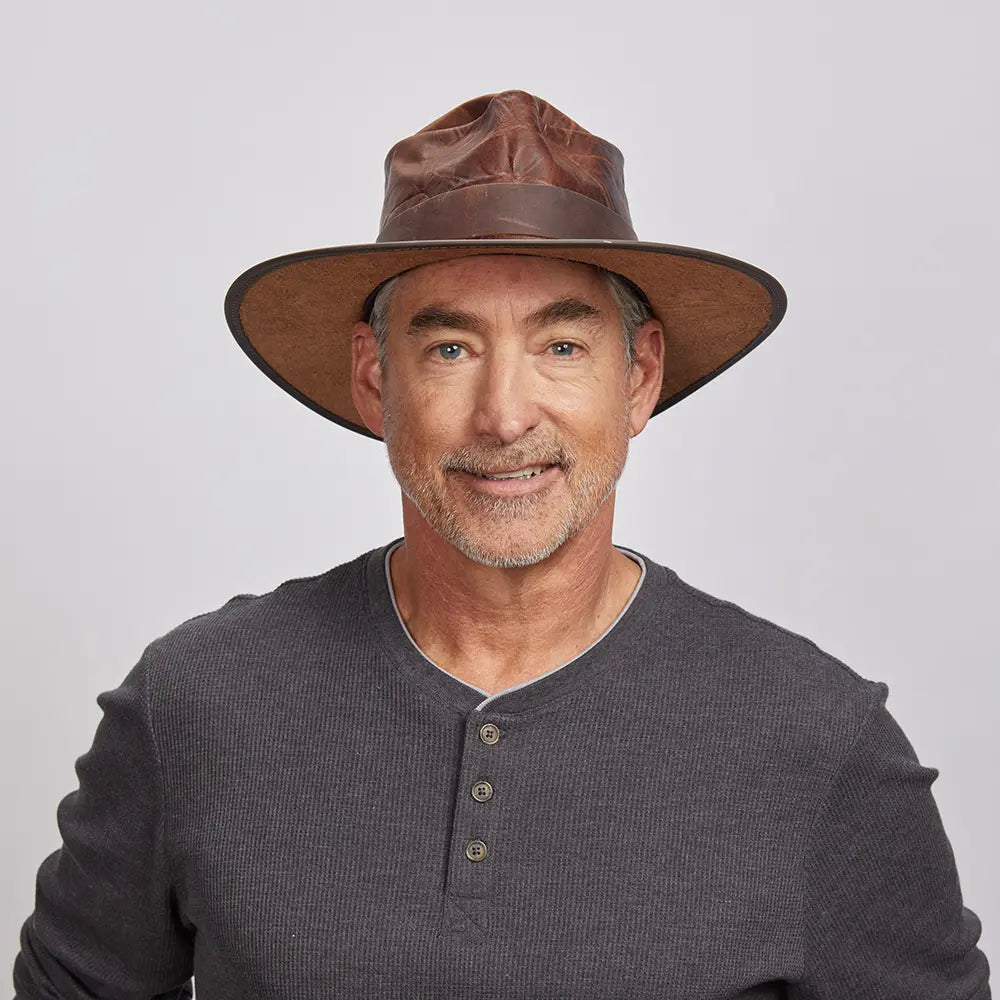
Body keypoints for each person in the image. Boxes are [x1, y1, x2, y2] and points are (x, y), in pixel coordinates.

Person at [13, 90, 991, 999]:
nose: (503, 412)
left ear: (640, 375)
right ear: (372, 380)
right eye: (450, 349)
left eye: (561, 346)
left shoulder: (815, 736)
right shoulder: (197, 704)